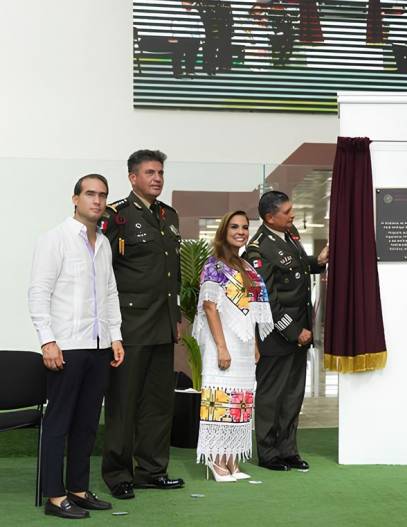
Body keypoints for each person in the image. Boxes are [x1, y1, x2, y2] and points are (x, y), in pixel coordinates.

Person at [28, 174, 126, 519]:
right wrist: (48, 340)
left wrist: (115, 336)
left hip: (99, 347)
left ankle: (78, 489)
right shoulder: (54, 239)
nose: (97, 201)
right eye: (90, 194)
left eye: (102, 195)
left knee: (86, 423)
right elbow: (39, 292)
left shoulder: (103, 243)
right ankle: (55, 497)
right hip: (66, 346)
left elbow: (110, 293)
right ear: (75, 199)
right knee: (59, 422)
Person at [100, 149, 184, 499]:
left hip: (163, 324)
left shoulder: (169, 215)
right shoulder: (116, 216)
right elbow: (102, 274)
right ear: (133, 177)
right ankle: (119, 474)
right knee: (124, 403)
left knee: (158, 403)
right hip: (130, 325)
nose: (157, 178)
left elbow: (172, 273)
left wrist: (175, 316)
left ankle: (152, 470)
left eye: (160, 172)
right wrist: (109, 327)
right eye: (150, 172)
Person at [243, 191, 328, 472]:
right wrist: (293, 331)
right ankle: (268, 453)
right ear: (270, 217)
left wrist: (318, 261)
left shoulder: (289, 237)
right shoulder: (257, 249)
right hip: (277, 335)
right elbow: (266, 298)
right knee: (271, 396)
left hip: (298, 333)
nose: (293, 215)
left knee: (293, 395)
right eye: (287, 211)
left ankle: (288, 449)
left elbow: (297, 270)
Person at [194, 211, 273, 482]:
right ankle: (216, 462)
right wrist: (222, 347)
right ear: (224, 230)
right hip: (223, 340)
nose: (240, 231)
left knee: (239, 400)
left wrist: (253, 343)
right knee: (221, 399)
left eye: (244, 227)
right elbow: (210, 306)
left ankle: (232, 459)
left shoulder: (246, 266)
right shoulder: (214, 264)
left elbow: (250, 309)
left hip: (243, 343)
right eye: (234, 227)